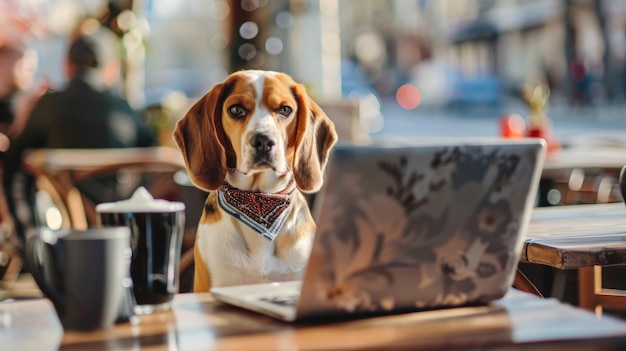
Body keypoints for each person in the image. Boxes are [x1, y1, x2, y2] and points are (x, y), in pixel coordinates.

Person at [2, 25, 156, 243]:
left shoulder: (50, 105)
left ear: (67, 66)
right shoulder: (124, 108)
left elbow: (14, 159)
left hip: (66, 231)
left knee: (15, 170)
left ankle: (31, 243)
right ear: (110, 69)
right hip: (121, 226)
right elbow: (154, 157)